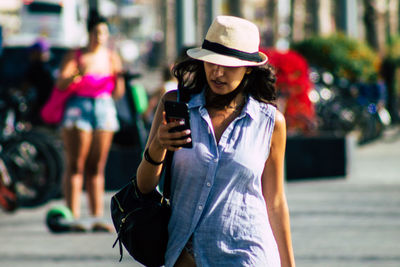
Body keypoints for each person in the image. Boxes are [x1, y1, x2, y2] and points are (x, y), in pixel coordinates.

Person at [136, 15, 295, 266]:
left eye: (229, 65)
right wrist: (157, 145)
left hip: (248, 254)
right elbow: (144, 187)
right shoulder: (175, 105)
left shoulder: (270, 122)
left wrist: (289, 264)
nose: (217, 72)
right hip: (185, 256)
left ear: (248, 68)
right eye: (211, 62)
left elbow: (275, 202)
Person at [56, 11, 125, 231]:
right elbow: (61, 83)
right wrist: (78, 74)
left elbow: (118, 92)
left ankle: (96, 217)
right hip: (79, 107)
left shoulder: (112, 57)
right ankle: (72, 215)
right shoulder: (76, 55)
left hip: (103, 108)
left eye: (103, 32)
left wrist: (120, 78)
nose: (99, 37)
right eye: (96, 32)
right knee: (76, 164)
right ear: (89, 33)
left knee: (96, 166)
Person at [22, 38, 55, 125]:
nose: (30, 55)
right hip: (50, 108)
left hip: (40, 109)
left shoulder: (36, 68)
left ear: (38, 53)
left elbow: (24, 88)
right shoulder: (51, 67)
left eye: (32, 53)